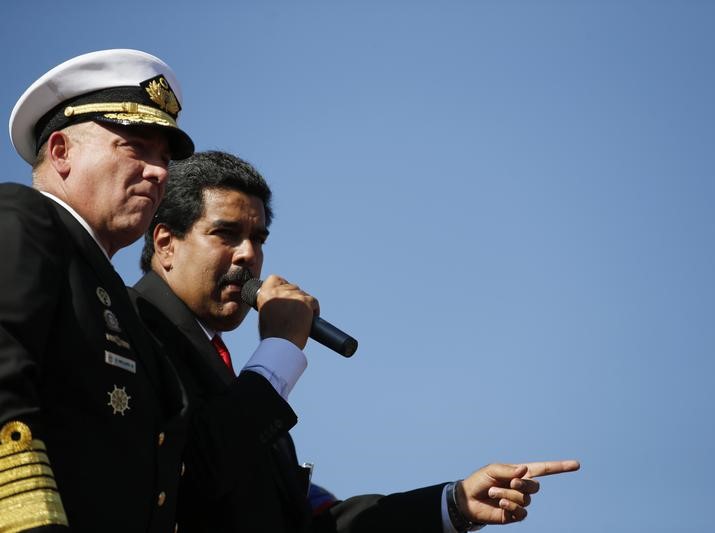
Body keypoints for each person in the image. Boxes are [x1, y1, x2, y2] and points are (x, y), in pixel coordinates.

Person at [131, 150, 580, 532]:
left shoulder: (233, 374)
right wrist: (280, 351)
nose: (249, 255)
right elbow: (188, 479)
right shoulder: (131, 326)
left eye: (258, 238)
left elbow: (303, 524)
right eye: (226, 234)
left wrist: (453, 504)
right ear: (166, 244)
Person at [0, 49, 195, 532]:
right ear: (62, 152)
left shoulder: (102, 286)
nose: (159, 172)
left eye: (165, 159)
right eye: (135, 147)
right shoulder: (25, 218)